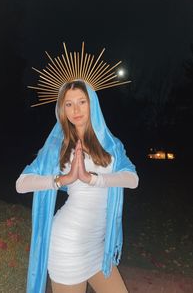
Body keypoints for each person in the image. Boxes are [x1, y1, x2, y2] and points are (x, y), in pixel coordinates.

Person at [16, 80, 139, 293]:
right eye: (69, 104)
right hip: (68, 245)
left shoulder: (111, 144)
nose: (76, 110)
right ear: (62, 110)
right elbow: (21, 184)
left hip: (98, 246)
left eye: (82, 101)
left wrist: (92, 178)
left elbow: (132, 179)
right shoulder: (58, 146)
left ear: (92, 103)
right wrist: (64, 179)